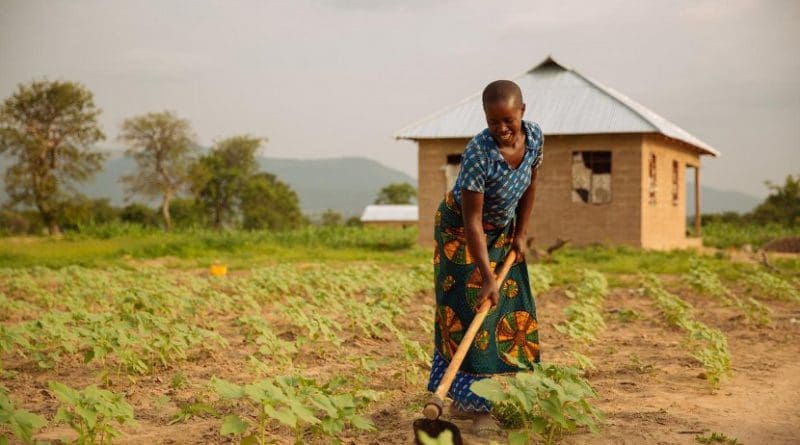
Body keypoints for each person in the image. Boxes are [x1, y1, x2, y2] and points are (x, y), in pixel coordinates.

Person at [426, 79, 544, 434]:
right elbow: (472, 221)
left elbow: (531, 182)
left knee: (510, 305)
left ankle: (500, 393)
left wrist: (521, 232)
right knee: (469, 309)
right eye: (494, 122)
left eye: (509, 120)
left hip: (500, 230)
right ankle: (474, 407)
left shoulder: (535, 137)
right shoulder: (479, 154)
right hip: (461, 234)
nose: (502, 129)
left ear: (522, 112)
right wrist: (486, 276)